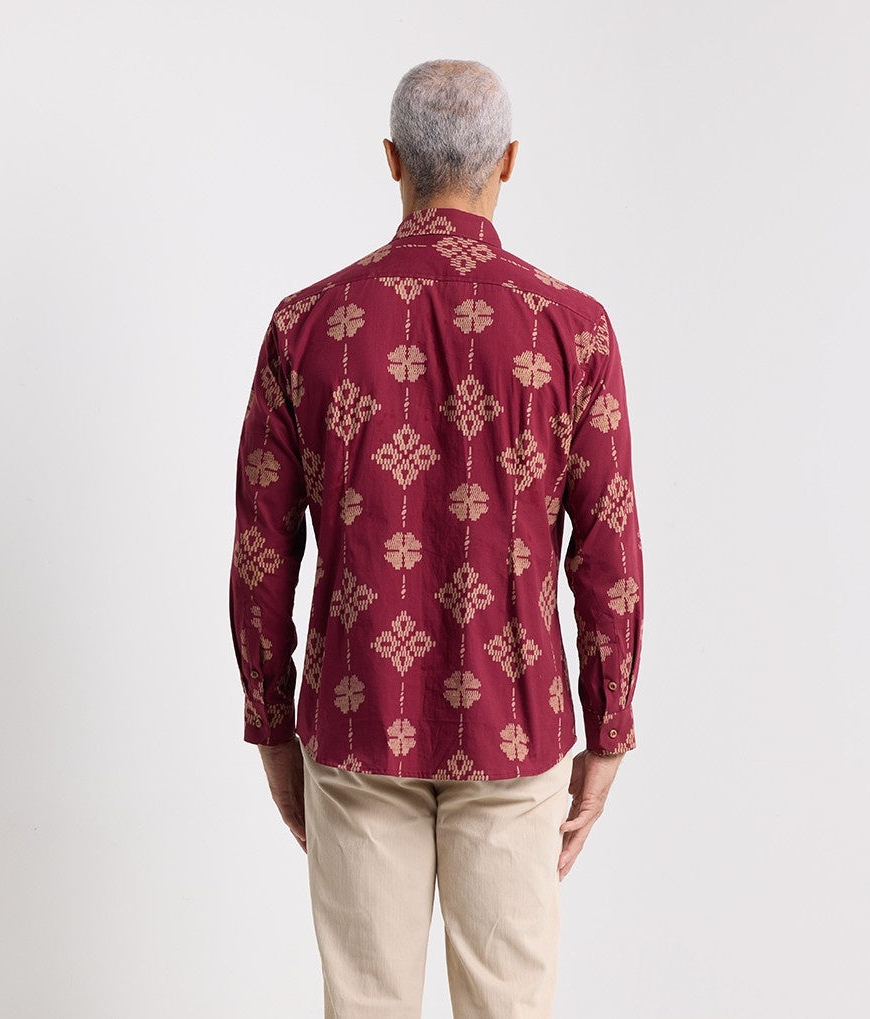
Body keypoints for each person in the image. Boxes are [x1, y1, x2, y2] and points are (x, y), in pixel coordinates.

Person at [228, 57, 645, 1018]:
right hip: (516, 718)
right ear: (508, 162)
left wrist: (271, 724)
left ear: (391, 160)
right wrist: (609, 724)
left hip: (355, 715)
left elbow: (260, 553)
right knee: (508, 1004)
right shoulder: (572, 327)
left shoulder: (306, 325)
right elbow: (609, 550)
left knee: (365, 1002)